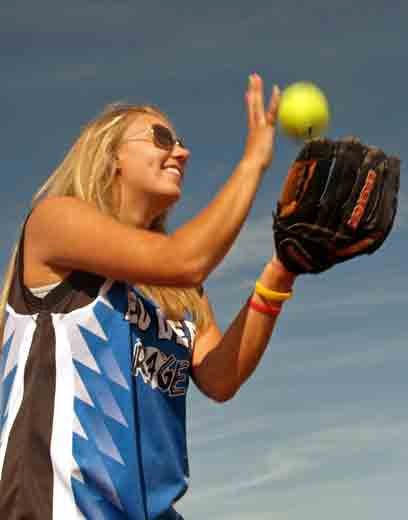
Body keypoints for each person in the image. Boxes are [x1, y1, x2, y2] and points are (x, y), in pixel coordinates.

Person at [0, 74, 298, 519]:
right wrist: (253, 161)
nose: (182, 151)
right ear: (111, 155)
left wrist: (283, 269)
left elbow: (220, 378)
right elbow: (187, 258)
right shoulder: (55, 221)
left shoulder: (177, 288)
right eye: (162, 137)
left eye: (179, 142)